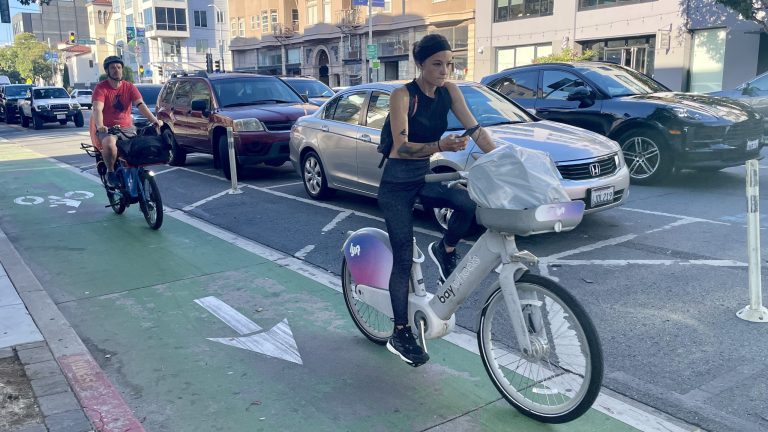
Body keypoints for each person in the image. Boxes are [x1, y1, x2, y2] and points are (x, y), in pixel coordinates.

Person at [378, 34, 497, 366]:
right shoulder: (404, 95)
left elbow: (476, 130)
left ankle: (444, 249)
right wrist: (440, 147)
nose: (445, 70)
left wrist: (507, 160)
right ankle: (400, 333)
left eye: (449, 63)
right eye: (437, 64)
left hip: (423, 179)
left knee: (468, 204)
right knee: (403, 258)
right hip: (396, 186)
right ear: (420, 64)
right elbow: (400, 148)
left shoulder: (450, 91)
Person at [92, 56, 163, 188]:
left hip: (127, 128)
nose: (116, 70)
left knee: (142, 146)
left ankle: (139, 178)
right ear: (107, 71)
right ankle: (111, 172)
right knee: (109, 143)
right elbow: (97, 108)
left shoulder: (129, 87)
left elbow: (141, 105)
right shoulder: (101, 88)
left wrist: (154, 120)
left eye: (119, 67)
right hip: (108, 129)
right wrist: (100, 126)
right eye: (112, 68)